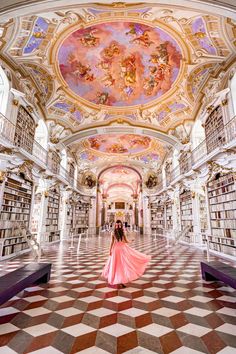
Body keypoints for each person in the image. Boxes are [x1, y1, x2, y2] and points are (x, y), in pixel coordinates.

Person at [101, 220, 151, 288]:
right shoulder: (115, 232)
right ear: (116, 225)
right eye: (117, 225)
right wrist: (110, 250)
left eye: (118, 225)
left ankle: (120, 280)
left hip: (120, 249)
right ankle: (119, 280)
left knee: (120, 265)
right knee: (118, 265)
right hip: (117, 250)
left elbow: (122, 241)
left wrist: (130, 241)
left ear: (120, 225)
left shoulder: (117, 232)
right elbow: (114, 242)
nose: (118, 226)